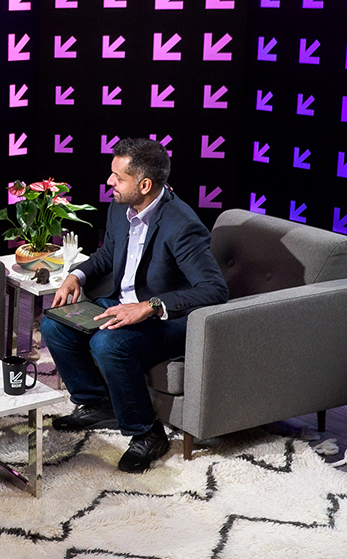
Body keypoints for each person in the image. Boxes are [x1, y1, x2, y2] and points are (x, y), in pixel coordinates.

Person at [42, 138, 228, 473]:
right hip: (121, 304)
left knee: (107, 342)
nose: (109, 182)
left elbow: (214, 289)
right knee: (55, 323)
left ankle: (147, 433)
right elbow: (108, 255)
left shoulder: (181, 225)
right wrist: (77, 275)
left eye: (118, 177)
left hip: (167, 322)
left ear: (144, 184)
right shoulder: (120, 207)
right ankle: (98, 403)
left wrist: (150, 306)